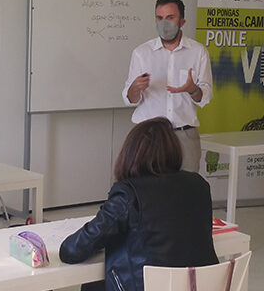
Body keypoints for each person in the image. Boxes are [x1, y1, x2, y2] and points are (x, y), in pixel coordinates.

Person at [59, 117, 218, 291]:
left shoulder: (128, 193)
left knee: (94, 285)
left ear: (130, 153)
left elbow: (72, 251)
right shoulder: (199, 184)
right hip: (199, 286)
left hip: (149, 286)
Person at [121, 0, 213, 172]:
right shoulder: (142, 53)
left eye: (170, 17)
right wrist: (135, 88)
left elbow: (205, 96)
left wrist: (193, 90)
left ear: (182, 21)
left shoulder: (198, 52)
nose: (164, 23)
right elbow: (130, 99)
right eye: (159, 18)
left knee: (186, 185)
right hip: (149, 135)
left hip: (184, 135)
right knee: (148, 185)